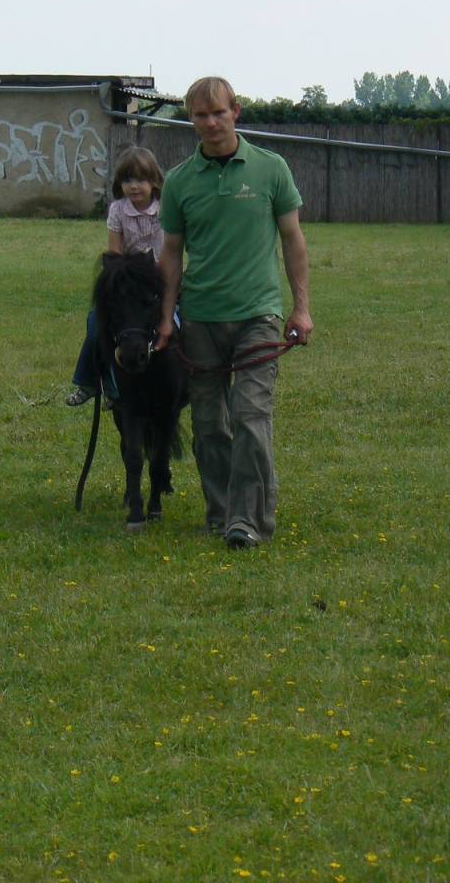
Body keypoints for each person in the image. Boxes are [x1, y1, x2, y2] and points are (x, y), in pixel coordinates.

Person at [155, 77, 312, 549]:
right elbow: (171, 254)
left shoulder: (270, 168)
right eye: (200, 115)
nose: (210, 122)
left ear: (236, 111)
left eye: (218, 112)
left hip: (258, 315)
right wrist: (166, 319)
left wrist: (301, 309)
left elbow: (293, 240)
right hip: (200, 317)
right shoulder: (180, 181)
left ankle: (248, 521)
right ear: (191, 120)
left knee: (250, 415)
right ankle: (221, 512)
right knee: (208, 423)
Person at [65, 146, 166, 406]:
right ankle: (95, 383)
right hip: (126, 280)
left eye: (141, 179)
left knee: (182, 322)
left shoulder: (164, 210)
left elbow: (166, 253)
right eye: (127, 180)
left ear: (154, 181)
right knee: (96, 323)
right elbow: (114, 252)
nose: (134, 186)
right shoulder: (118, 210)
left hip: (156, 278)